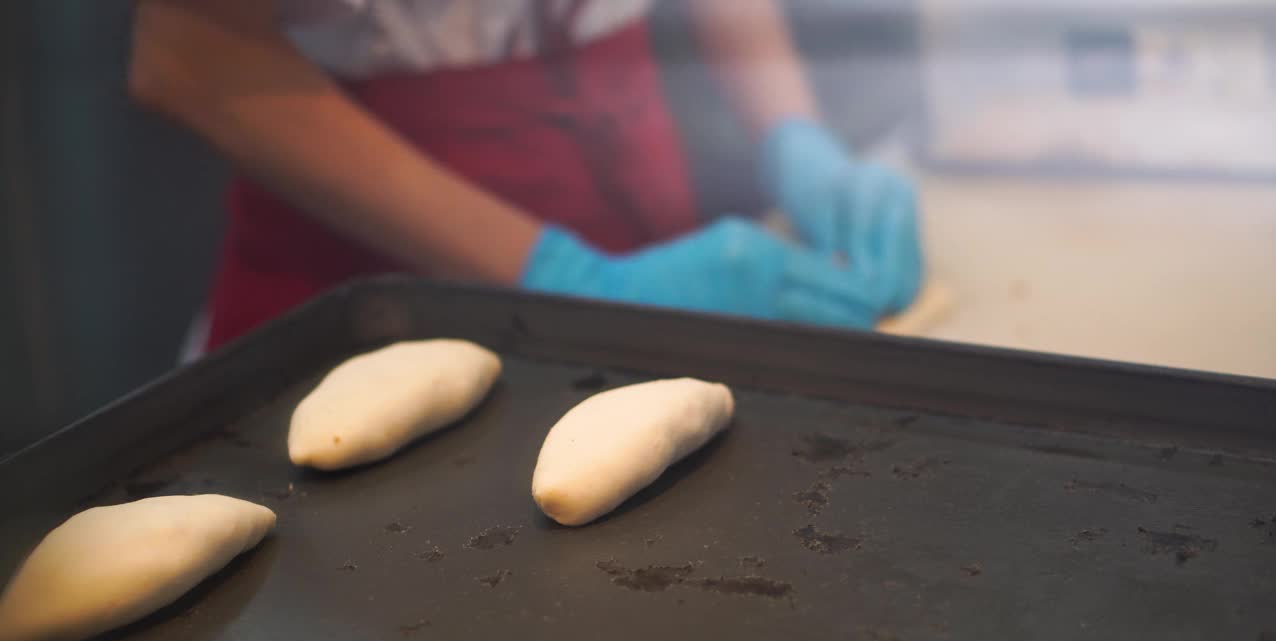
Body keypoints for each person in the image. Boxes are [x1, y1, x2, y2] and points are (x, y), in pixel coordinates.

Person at [129, 0, 921, 351]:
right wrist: (569, 278)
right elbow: (190, 58)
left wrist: (792, 130)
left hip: (653, 250)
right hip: (370, 295)